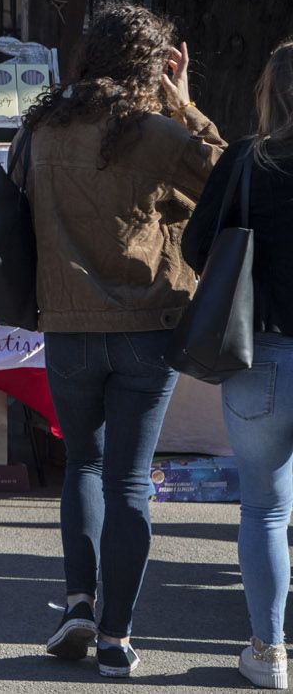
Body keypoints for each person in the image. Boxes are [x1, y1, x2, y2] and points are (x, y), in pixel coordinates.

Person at [20, 1, 224, 679]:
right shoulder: (158, 133)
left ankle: (77, 600)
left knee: (81, 463)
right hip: (148, 324)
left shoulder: (45, 128)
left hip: (67, 325)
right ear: (155, 65)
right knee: (130, 479)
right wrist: (188, 105)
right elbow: (227, 182)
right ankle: (116, 635)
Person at [182, 40, 293, 690]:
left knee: (266, 510)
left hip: (264, 356)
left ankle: (270, 650)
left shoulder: (248, 161)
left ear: (267, 93)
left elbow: (199, 246)